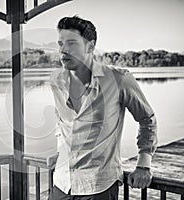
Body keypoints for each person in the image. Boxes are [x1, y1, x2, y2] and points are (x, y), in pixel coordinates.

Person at [47, 16, 157, 200]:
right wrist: (60, 152)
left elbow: (147, 119)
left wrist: (143, 163)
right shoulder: (56, 81)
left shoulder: (119, 79)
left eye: (72, 43)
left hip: (99, 186)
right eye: (60, 43)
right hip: (62, 183)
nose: (63, 50)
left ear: (90, 46)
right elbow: (61, 122)